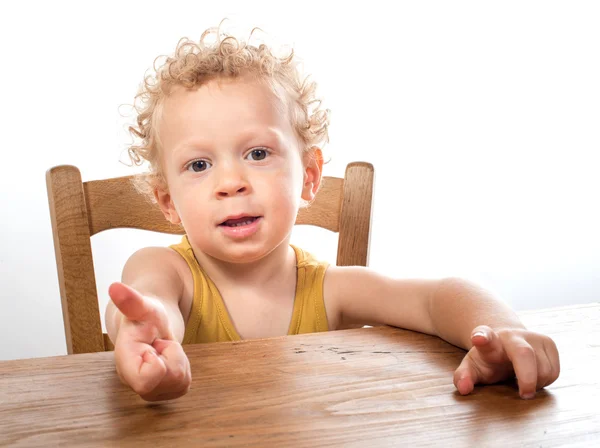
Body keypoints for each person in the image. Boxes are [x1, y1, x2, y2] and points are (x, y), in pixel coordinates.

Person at [105, 25, 560, 402]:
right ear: (168, 201)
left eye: (258, 153)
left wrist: (501, 330)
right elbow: (148, 302)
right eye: (199, 165)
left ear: (308, 175)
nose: (231, 182)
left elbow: (436, 298)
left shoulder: (332, 290)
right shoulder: (164, 270)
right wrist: (146, 330)